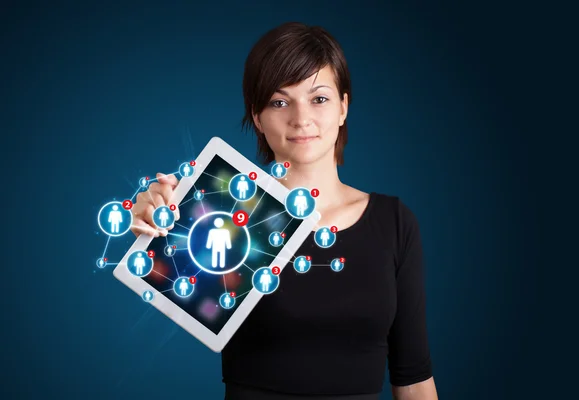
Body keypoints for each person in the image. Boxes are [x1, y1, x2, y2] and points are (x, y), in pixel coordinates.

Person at [131, 22, 438, 400]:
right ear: (258, 118)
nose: (301, 118)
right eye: (279, 101)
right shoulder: (225, 215)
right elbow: (170, 274)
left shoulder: (393, 223)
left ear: (344, 106)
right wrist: (152, 225)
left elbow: (414, 379)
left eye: (319, 98)